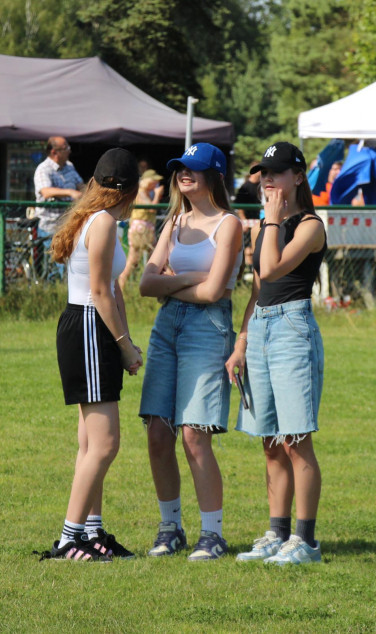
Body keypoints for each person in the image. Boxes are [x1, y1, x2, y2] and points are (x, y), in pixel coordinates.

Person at [36, 148, 144, 562]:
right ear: (128, 191)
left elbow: (114, 290)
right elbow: (100, 292)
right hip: (87, 325)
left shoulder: (96, 218)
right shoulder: (101, 223)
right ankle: (69, 539)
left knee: (90, 443)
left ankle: (91, 532)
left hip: (93, 325)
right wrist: (122, 345)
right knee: (105, 444)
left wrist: (127, 341)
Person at [137, 143, 243, 561]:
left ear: (214, 175)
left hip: (208, 326)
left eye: (194, 169)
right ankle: (170, 528)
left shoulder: (229, 224)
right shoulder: (175, 220)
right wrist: (192, 277)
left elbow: (216, 291)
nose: (184, 174)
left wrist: (175, 277)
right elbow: (146, 284)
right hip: (167, 325)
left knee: (193, 435)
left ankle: (212, 534)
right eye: (180, 168)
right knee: (158, 433)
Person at [226, 141, 327, 566]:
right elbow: (257, 288)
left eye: (278, 172)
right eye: (263, 173)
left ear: (299, 177)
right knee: (269, 441)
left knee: (295, 440)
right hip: (264, 326)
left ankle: (305, 541)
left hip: (291, 328)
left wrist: (269, 220)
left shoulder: (309, 225)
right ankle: (277, 532)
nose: (268, 179)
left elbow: (271, 268)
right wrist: (242, 341)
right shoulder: (265, 227)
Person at [118, 169, 163, 290]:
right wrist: (157, 195)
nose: (156, 184)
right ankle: (121, 289)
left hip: (146, 228)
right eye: (154, 181)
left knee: (152, 258)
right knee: (133, 260)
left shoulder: (146, 192)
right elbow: (152, 209)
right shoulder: (140, 192)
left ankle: (149, 286)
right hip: (140, 229)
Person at [33, 136, 85, 239]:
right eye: (66, 148)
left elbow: (81, 186)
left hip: (69, 225)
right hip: (50, 228)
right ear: (54, 152)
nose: (69, 151)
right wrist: (70, 192)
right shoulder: (43, 169)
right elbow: (46, 192)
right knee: (53, 255)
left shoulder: (69, 166)